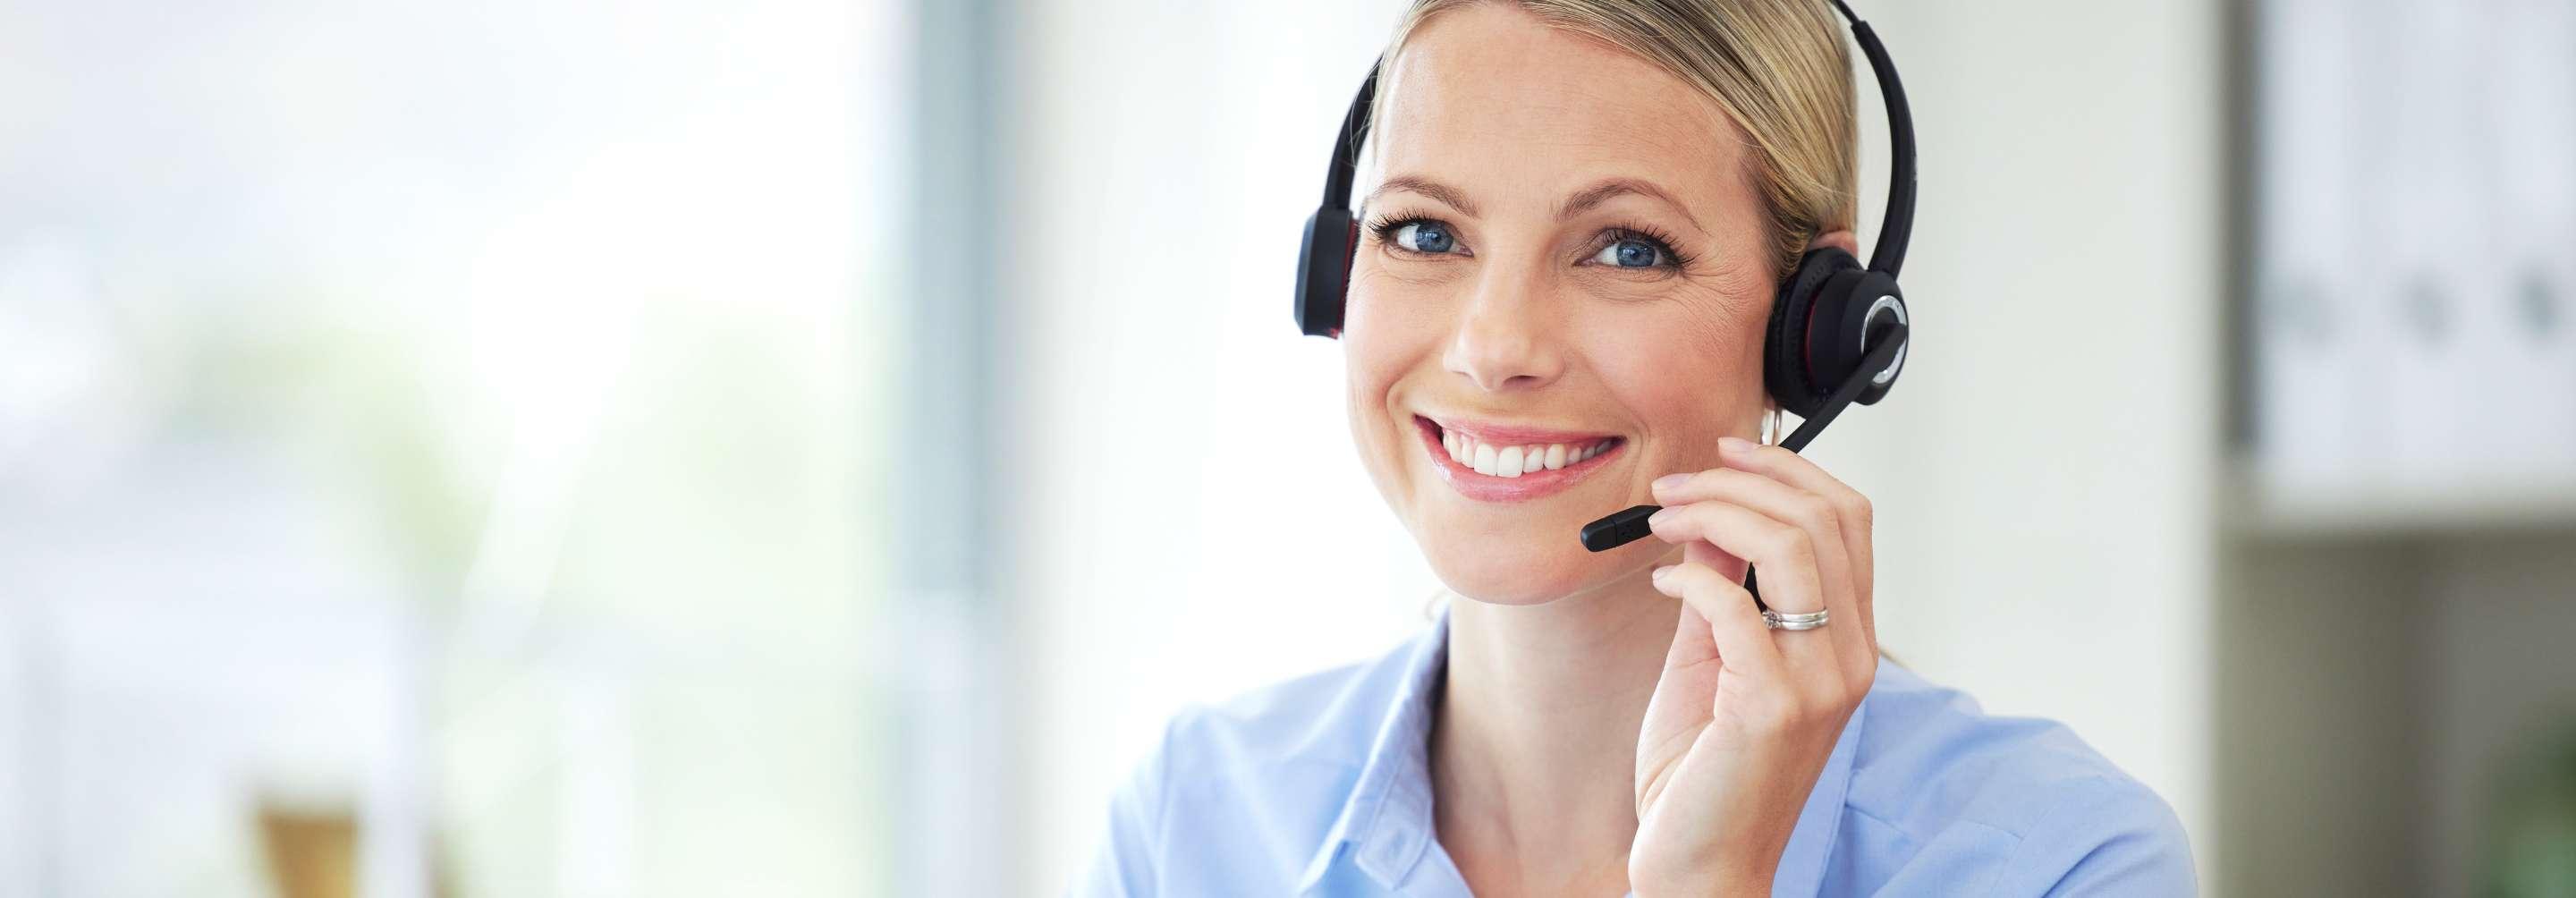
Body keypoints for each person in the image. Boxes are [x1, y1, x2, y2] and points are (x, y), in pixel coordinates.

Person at [1077, 1, 2195, 894]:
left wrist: (1712, 882)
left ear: (1819, 327)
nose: (1494, 345)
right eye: (1425, 231)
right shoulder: (1198, 823)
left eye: (1625, 248)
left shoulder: (2056, 860)